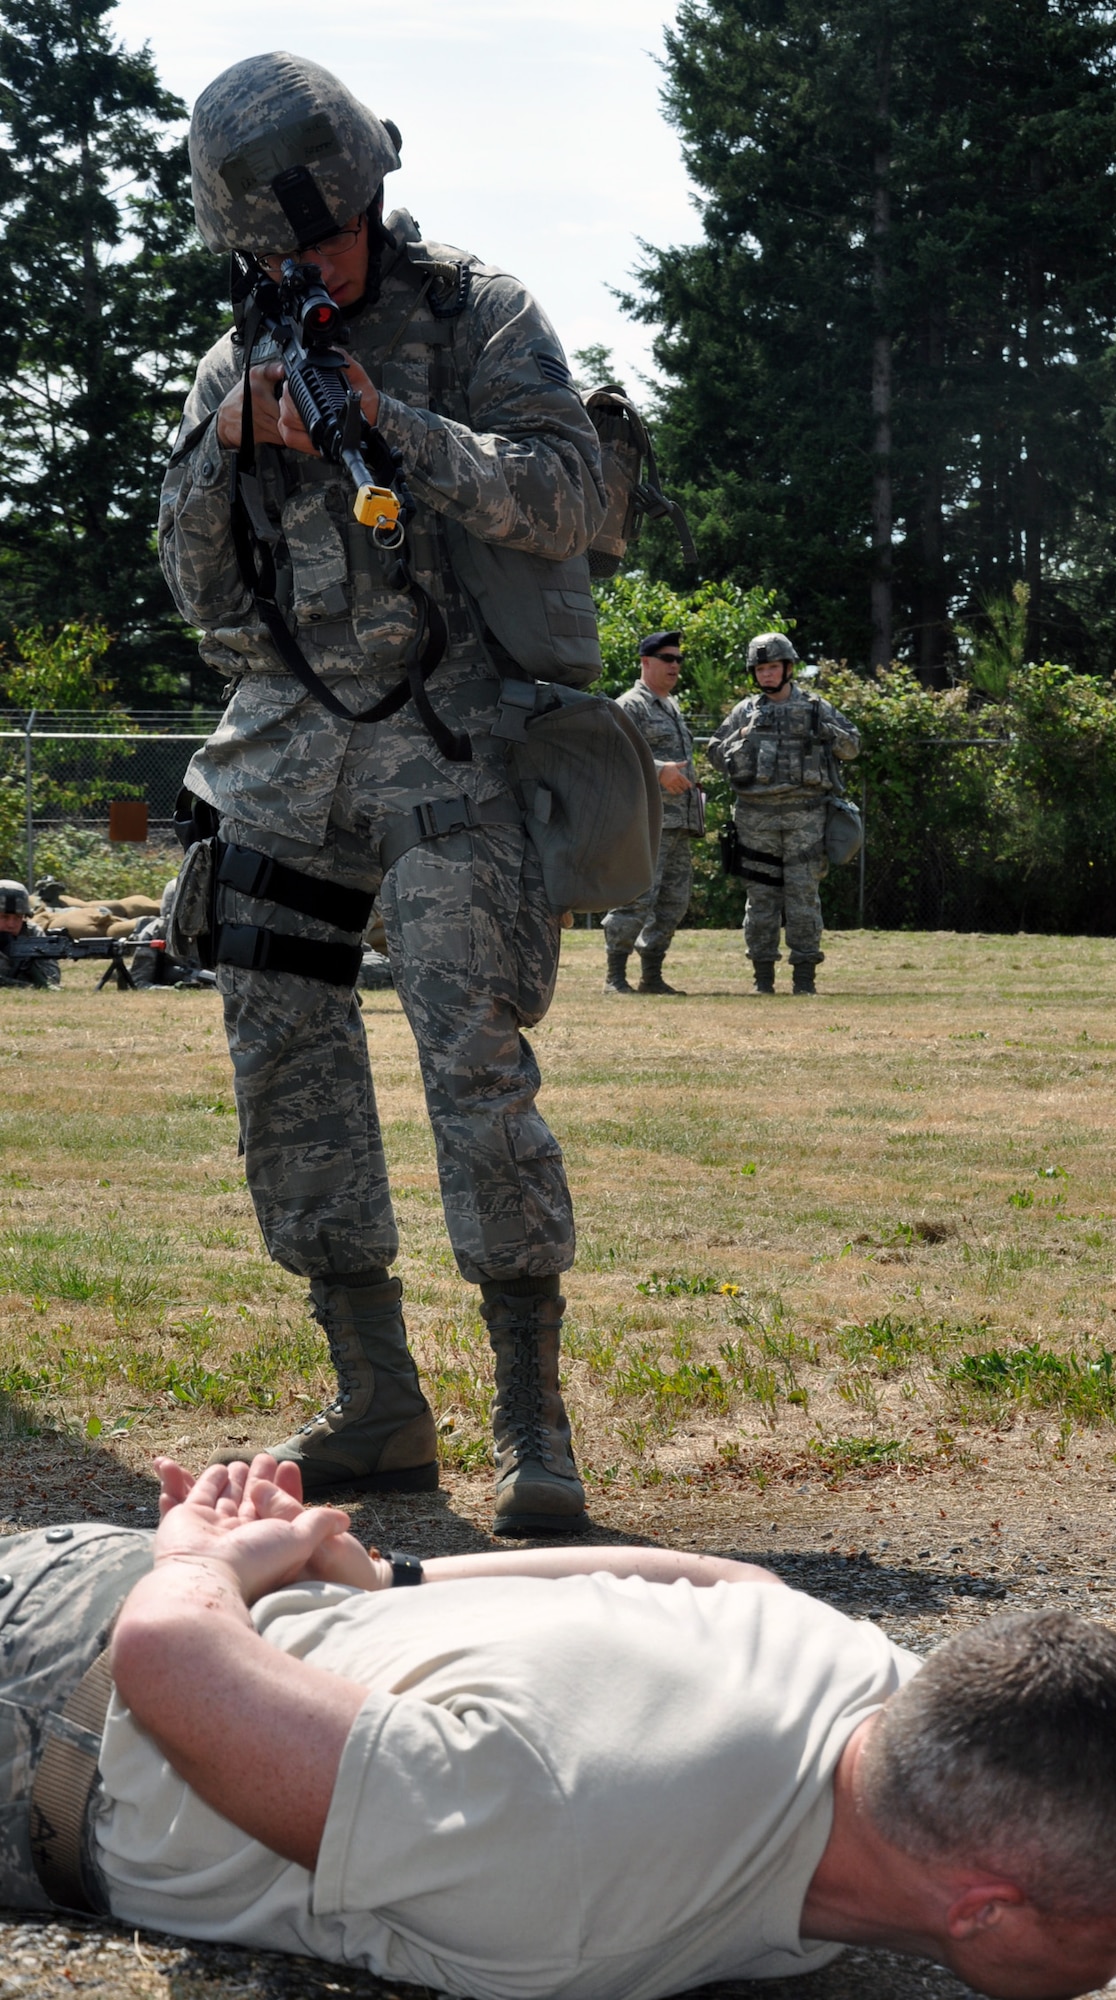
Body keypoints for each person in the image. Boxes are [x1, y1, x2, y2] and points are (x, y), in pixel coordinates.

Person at [2, 1457, 1116, 2000]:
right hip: (53, 1700)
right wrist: (204, 1562)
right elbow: (173, 1659)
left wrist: (396, 1586)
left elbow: (727, 1585)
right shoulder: (578, 1846)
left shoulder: (896, 1697)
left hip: (170, 1612)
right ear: (984, 1908)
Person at [157, 53, 609, 1534]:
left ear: (373, 196)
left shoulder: (479, 313)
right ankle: (377, 1400)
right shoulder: (241, 362)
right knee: (286, 1073)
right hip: (288, 757)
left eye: (327, 238)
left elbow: (566, 496)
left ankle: (531, 1422)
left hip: (451, 744)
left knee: (473, 1072)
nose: (308, 270)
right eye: (278, 254)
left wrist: (393, 432)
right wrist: (228, 448)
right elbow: (206, 606)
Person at [707, 635, 860, 995]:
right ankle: (763, 979)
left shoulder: (816, 708)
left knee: (803, 896)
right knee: (761, 898)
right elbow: (715, 755)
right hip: (755, 818)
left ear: (788, 668)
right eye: (760, 668)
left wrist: (826, 731)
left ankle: (804, 978)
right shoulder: (744, 711)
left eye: (773, 666)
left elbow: (853, 747)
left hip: (805, 817)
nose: (766, 674)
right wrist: (743, 734)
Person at [601, 631, 703, 995]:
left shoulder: (671, 706)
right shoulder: (631, 705)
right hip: (643, 821)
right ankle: (615, 976)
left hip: (676, 823)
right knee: (636, 898)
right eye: (667, 658)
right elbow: (612, 754)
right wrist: (659, 768)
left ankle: (652, 975)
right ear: (646, 662)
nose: (675, 665)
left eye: (678, 659)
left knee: (673, 902)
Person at [0, 881, 59, 990]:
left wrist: (29, 965)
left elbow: (52, 978)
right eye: (4, 917)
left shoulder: (32, 934)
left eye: (18, 917)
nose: (11, 924)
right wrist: (26, 985)